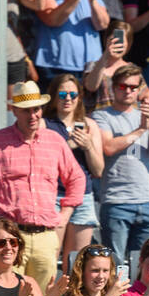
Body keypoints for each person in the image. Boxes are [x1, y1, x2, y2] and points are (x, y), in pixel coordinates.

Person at [0, 81, 86, 291]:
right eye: (26, 110)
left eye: (36, 109)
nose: (33, 115)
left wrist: (66, 214)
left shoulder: (55, 141)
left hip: (45, 236)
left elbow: (77, 178)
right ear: (14, 110)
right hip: (9, 235)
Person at [93, 64, 149, 261]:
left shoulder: (146, 116)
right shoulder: (101, 115)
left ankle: (142, 294)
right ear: (113, 87)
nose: (128, 91)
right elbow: (108, 147)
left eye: (133, 87)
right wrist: (140, 130)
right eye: (123, 86)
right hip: (117, 201)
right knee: (115, 263)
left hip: (148, 200)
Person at [43, 74, 103, 259]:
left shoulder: (89, 125)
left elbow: (98, 170)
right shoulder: (43, 124)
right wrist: (67, 147)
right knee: (50, 257)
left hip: (83, 196)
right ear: (53, 96)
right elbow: (42, 162)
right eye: (62, 94)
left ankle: (73, 289)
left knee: (77, 260)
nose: (67, 99)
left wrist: (88, 147)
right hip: (55, 195)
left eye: (73, 94)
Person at [32, 0, 110, 83]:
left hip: (89, 67)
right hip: (54, 67)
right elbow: (52, 20)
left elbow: (102, 25)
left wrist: (92, 1)